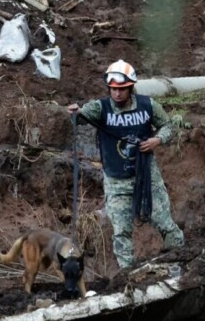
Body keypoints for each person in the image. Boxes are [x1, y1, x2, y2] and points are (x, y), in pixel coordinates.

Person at [67, 60, 184, 270]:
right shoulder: (100, 108)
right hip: (116, 181)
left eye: (121, 89)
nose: (117, 94)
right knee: (121, 232)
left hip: (147, 177)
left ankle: (180, 265)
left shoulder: (147, 106)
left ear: (130, 87)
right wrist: (74, 112)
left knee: (165, 224)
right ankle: (128, 278)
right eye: (113, 89)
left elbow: (167, 125)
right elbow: (80, 116)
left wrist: (157, 140)